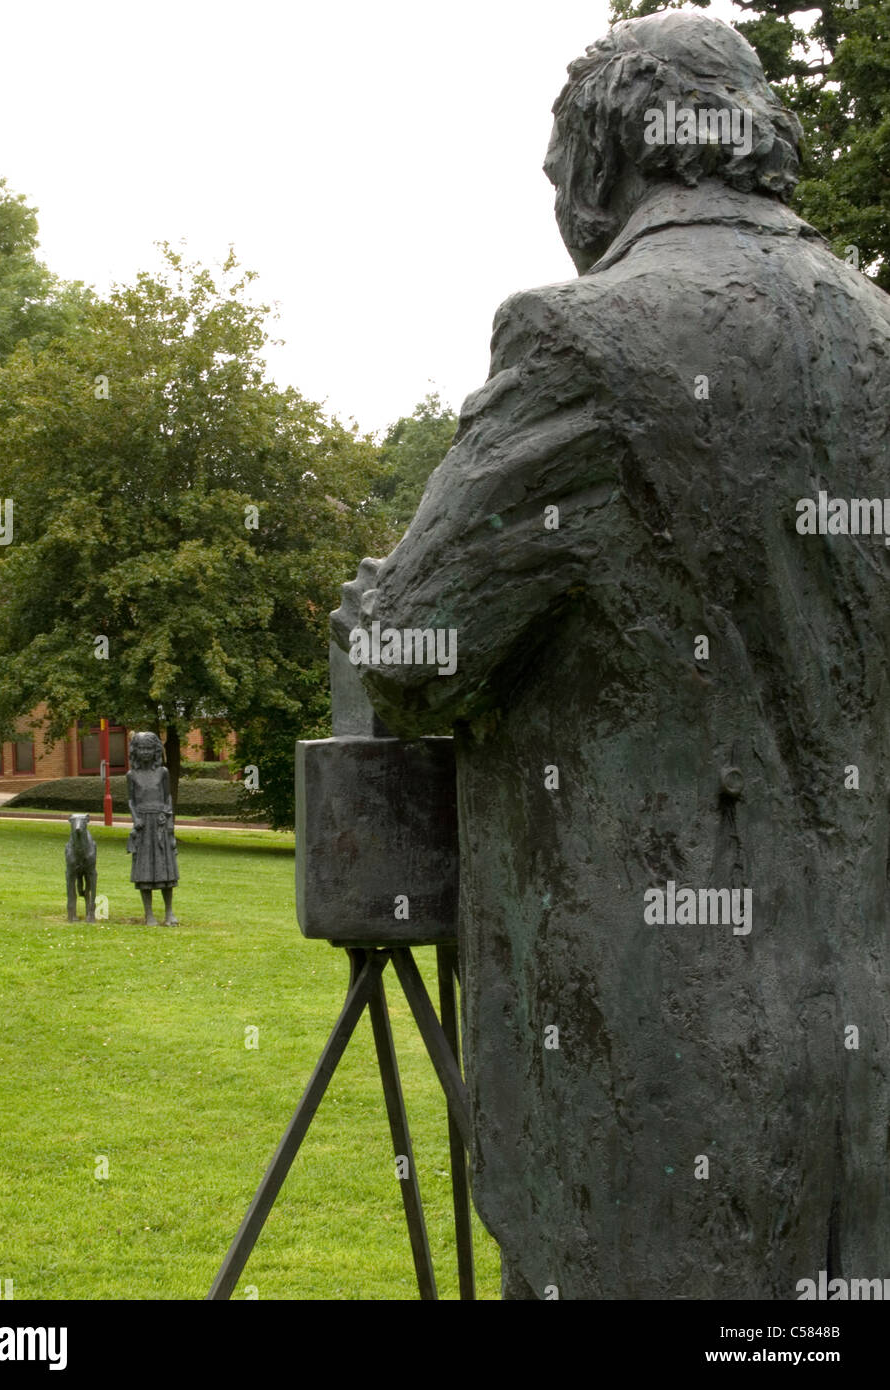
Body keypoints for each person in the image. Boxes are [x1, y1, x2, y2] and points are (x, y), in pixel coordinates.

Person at [332, 12, 890, 1298]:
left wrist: (375, 604)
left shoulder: (581, 340)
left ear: (600, 159)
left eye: (555, 178)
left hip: (649, 1048)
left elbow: (421, 647)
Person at [126, 731, 179, 926]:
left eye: (149, 748)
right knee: (145, 871)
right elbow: (131, 800)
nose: (145, 752)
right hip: (143, 825)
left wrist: (168, 819)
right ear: (135, 751)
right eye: (141, 748)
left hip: (160, 823)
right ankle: (148, 914)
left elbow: (168, 798)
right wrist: (135, 818)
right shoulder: (131, 775)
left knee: (166, 871)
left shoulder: (163, 773)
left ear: (156, 750)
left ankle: (169, 912)